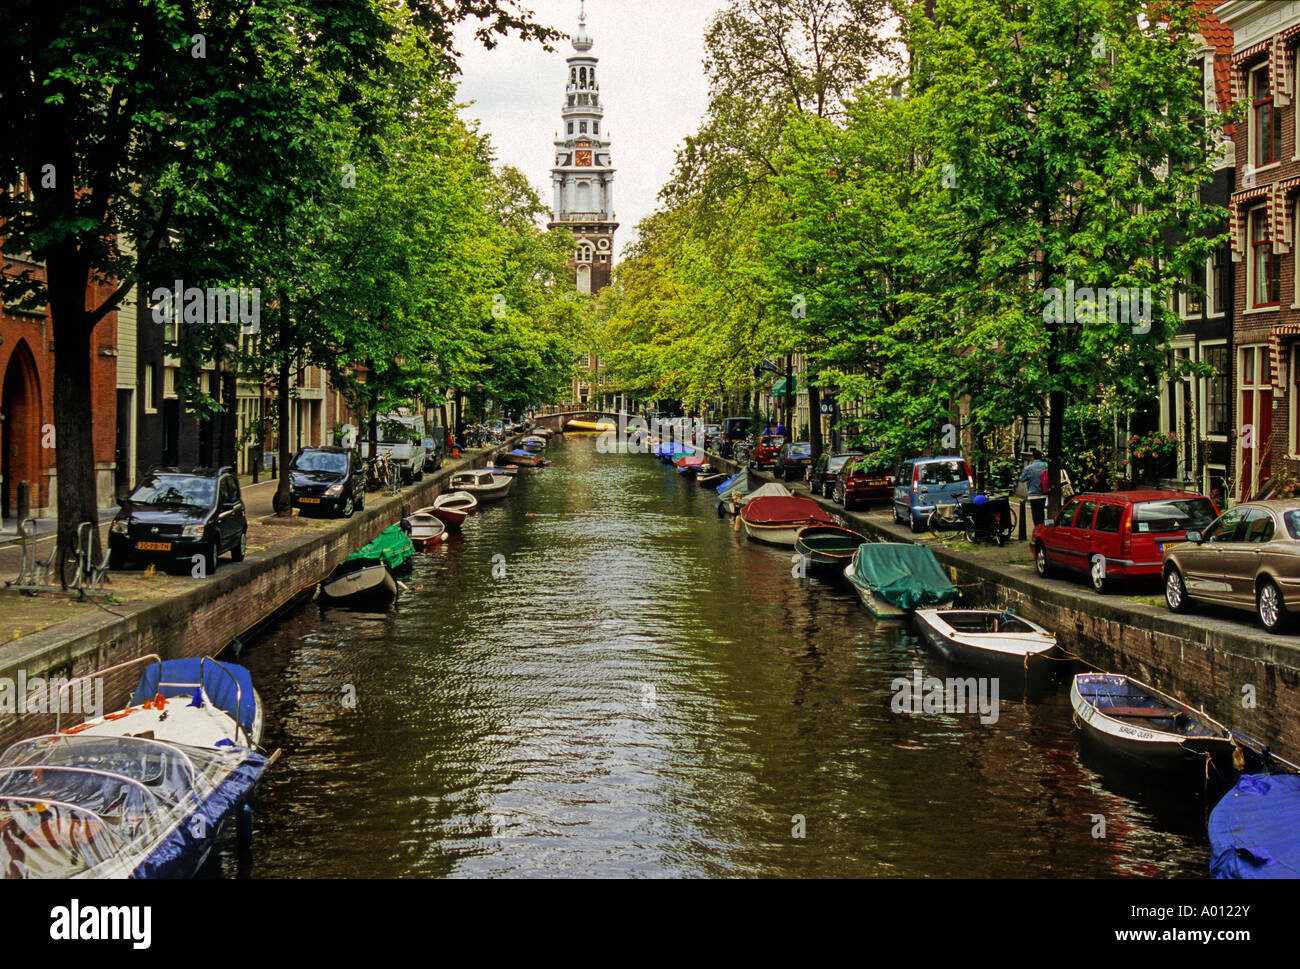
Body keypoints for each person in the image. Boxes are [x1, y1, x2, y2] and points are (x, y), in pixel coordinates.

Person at [1019, 449, 1048, 526]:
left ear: (1033, 457)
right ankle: (1042, 529)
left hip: (1033, 494)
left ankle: (1037, 529)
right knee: (1041, 512)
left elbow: (1022, 479)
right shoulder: (1045, 465)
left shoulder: (1028, 468)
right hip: (1043, 493)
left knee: (1035, 514)